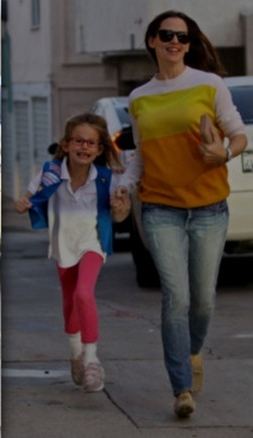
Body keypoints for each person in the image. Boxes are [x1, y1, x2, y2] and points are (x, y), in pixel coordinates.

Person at [117, 10, 247, 418]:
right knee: (176, 296)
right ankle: (181, 388)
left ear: (190, 44)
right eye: (167, 35)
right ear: (152, 40)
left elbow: (238, 134)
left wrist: (224, 152)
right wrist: (123, 188)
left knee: (204, 300)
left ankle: (192, 351)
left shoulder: (210, 85)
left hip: (209, 207)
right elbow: (140, 156)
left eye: (183, 37)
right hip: (160, 209)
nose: (175, 42)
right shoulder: (138, 98)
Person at [15, 113, 130, 393]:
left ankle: (91, 360)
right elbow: (30, 197)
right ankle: (75, 353)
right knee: (69, 302)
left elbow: (121, 214)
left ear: (100, 149)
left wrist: (120, 208)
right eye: (79, 140)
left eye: (91, 143)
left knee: (83, 294)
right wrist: (23, 204)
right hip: (62, 245)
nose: (85, 147)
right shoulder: (51, 172)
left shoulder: (105, 179)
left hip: (92, 244)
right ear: (66, 144)